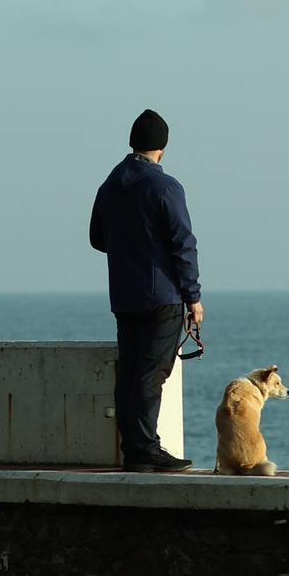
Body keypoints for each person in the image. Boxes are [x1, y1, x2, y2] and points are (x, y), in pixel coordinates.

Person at [88, 109, 202, 471]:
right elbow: (183, 244)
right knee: (151, 374)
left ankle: (133, 449)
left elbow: (96, 238)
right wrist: (194, 297)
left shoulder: (110, 184)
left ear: (133, 142)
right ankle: (145, 449)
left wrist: (129, 251)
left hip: (124, 295)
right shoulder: (165, 186)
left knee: (131, 372)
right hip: (162, 297)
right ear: (162, 148)